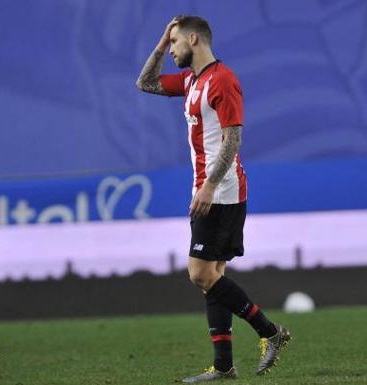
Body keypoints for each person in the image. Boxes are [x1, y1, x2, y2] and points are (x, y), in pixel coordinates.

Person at [136, 16, 291, 382]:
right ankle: (224, 367)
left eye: (174, 42)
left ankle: (270, 332)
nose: (172, 49)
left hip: (221, 191)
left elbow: (233, 139)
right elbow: (144, 83)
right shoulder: (193, 80)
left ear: (194, 39)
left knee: (200, 273)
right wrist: (159, 43)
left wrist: (208, 186)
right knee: (213, 276)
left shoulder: (223, 80)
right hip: (207, 190)